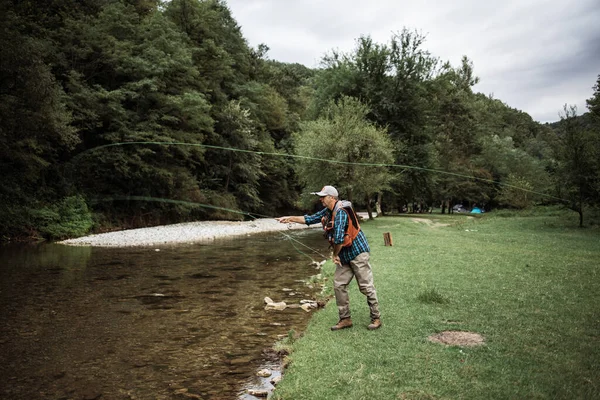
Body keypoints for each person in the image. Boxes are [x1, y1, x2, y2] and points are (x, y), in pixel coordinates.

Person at [276, 185, 381, 331]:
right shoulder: (328, 210)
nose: (320, 199)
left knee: (365, 287)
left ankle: (376, 318)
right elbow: (310, 219)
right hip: (344, 255)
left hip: (358, 253)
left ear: (332, 197)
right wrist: (289, 219)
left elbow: (338, 239)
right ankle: (345, 319)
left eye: (323, 197)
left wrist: (335, 255)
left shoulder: (341, 213)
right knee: (339, 285)